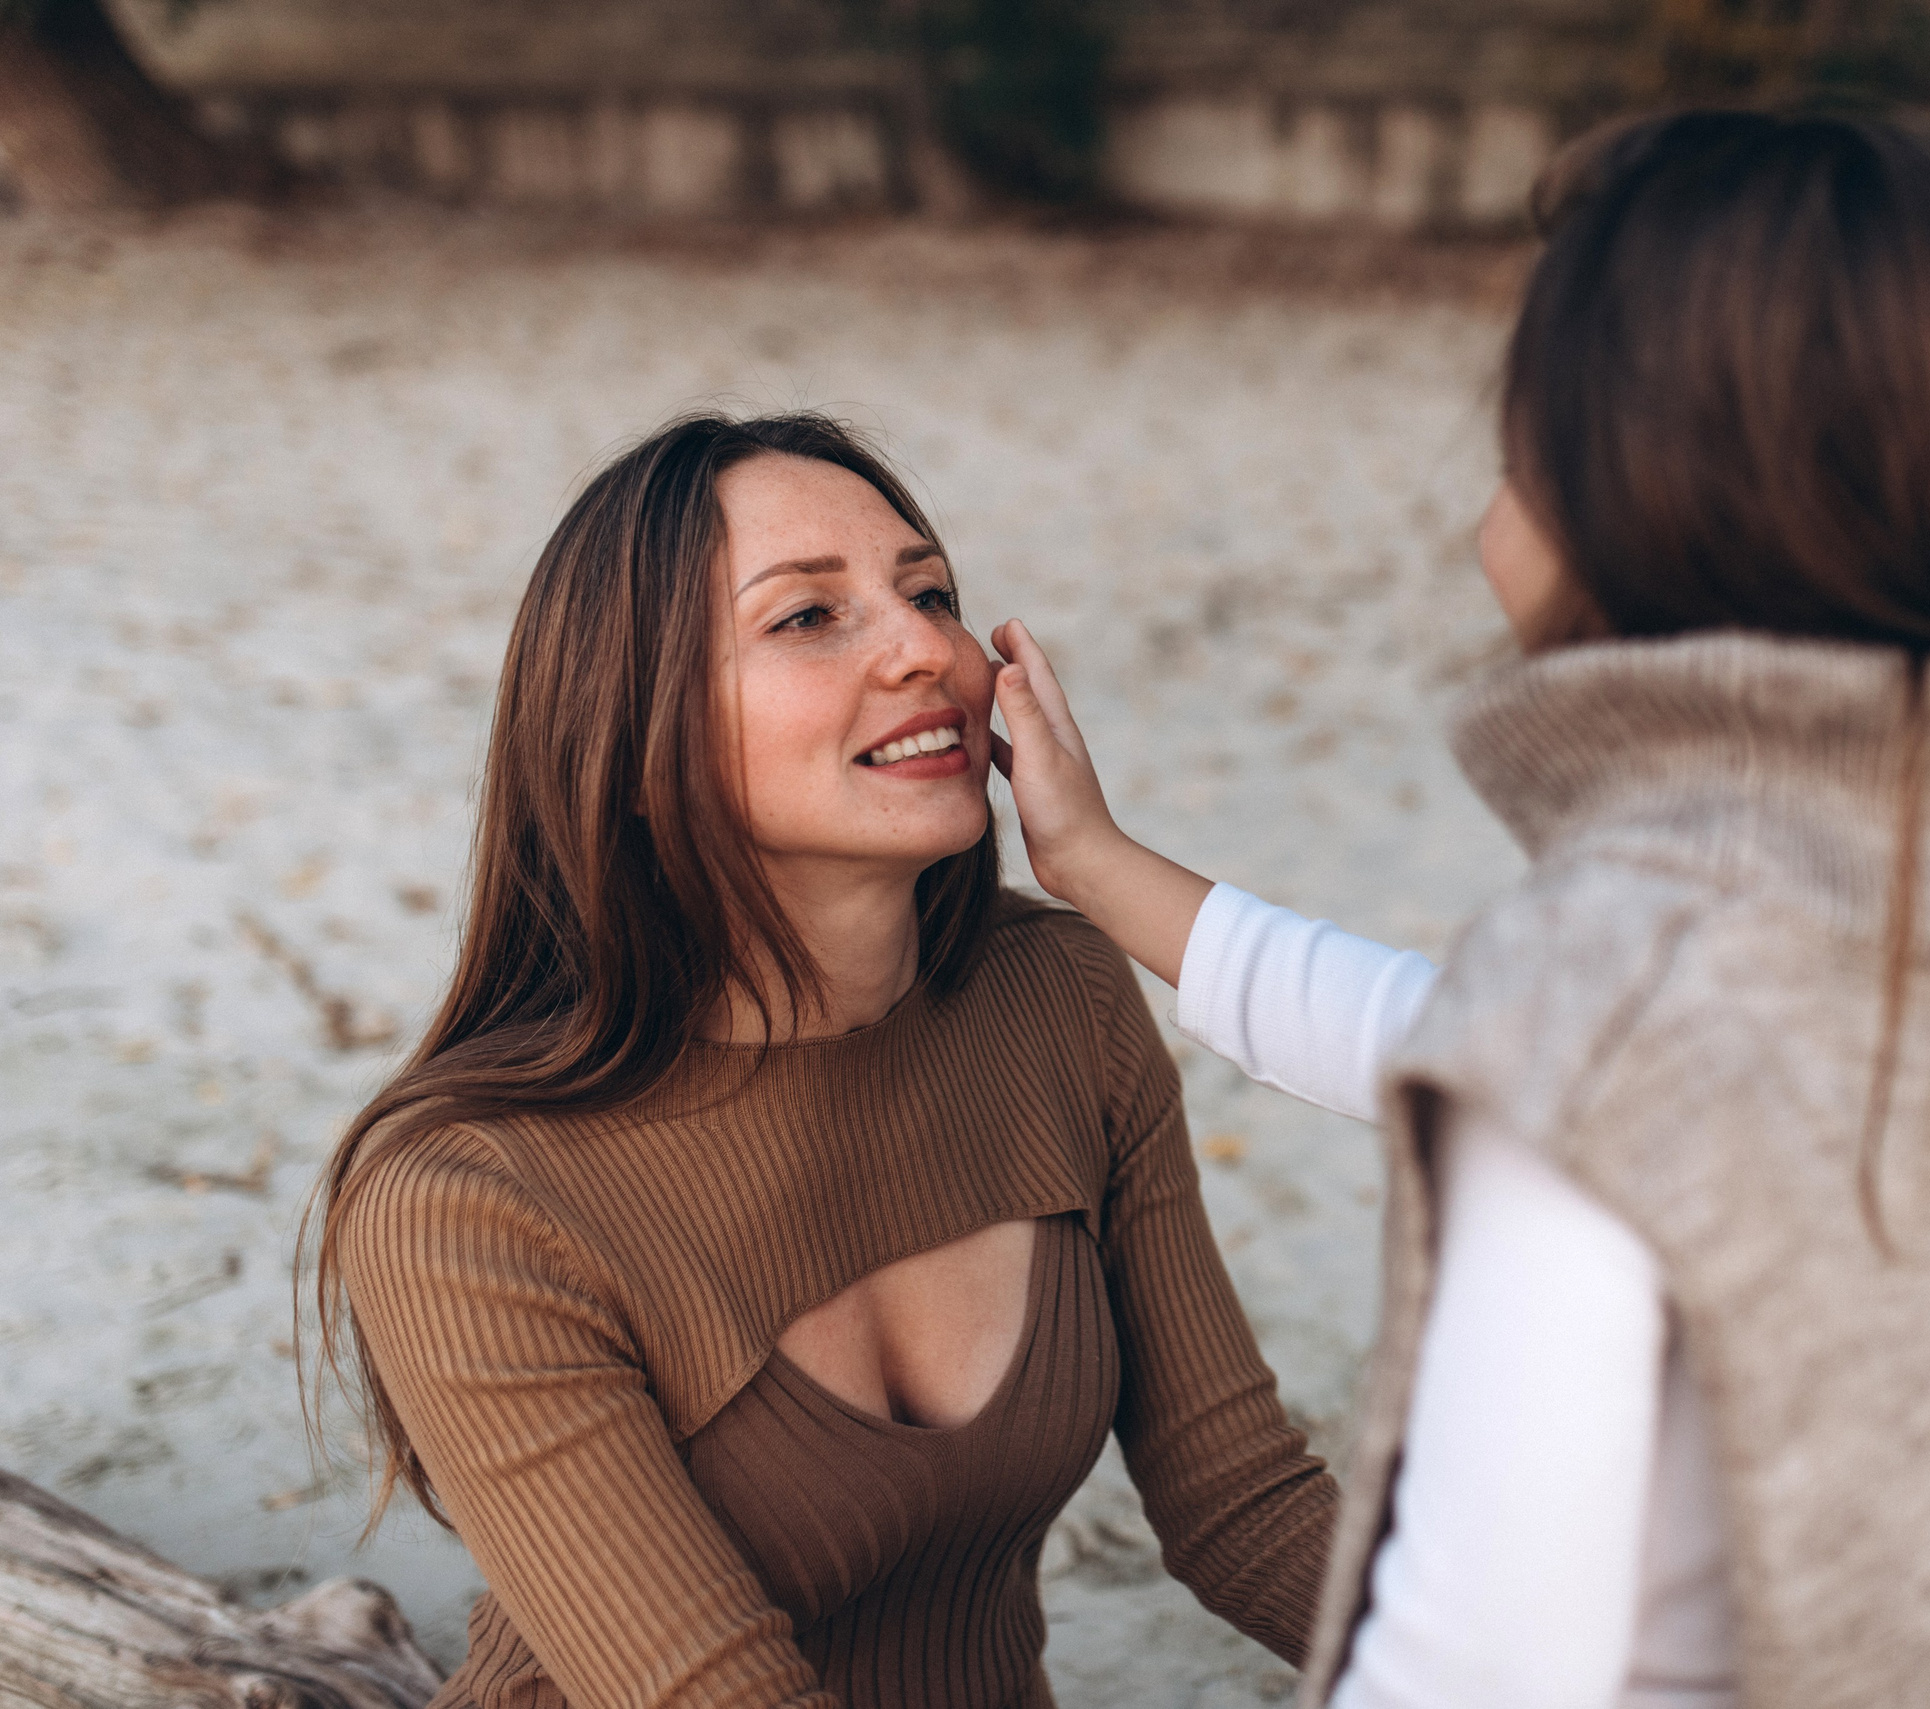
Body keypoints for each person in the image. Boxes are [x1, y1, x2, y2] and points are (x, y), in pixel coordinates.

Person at [990, 110, 1930, 1709]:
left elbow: (1478, 1664)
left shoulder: (1611, 990)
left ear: (1646, 480)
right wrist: (1099, 865)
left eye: (1526, 422)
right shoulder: (1908, 878)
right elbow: (1485, 1050)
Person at [302, 413, 1337, 1709]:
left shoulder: (1057, 996)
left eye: (930, 592)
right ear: (630, 740)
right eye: (808, 617)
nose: (929, 651)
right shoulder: (465, 1195)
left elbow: (1243, 1501)